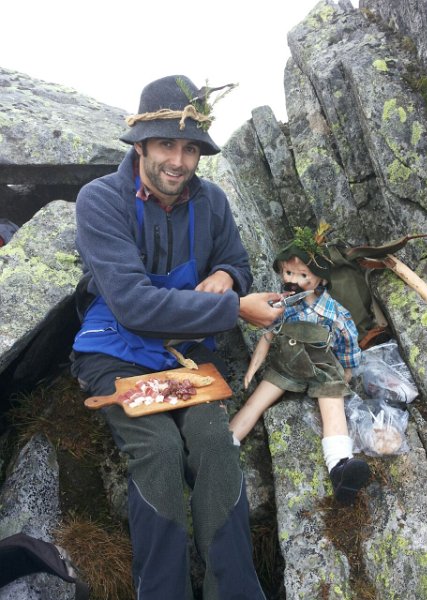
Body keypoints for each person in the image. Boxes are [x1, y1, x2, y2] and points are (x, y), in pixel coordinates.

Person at [70, 74, 285, 600]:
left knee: (215, 443)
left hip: (184, 355)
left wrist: (228, 276)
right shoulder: (100, 200)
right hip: (115, 350)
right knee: (160, 450)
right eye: (166, 144)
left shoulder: (211, 202)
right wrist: (233, 307)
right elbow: (134, 306)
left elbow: (236, 260)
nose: (178, 161)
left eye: (190, 149)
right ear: (140, 144)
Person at [229, 227, 371, 504]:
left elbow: (348, 341)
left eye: (302, 275)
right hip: (287, 365)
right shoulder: (284, 307)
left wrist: (347, 370)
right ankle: (223, 445)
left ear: (321, 279)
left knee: (333, 408)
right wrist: (252, 369)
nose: (292, 280)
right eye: (287, 272)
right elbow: (268, 336)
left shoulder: (333, 312)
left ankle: (340, 466)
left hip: (322, 368)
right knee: (254, 403)